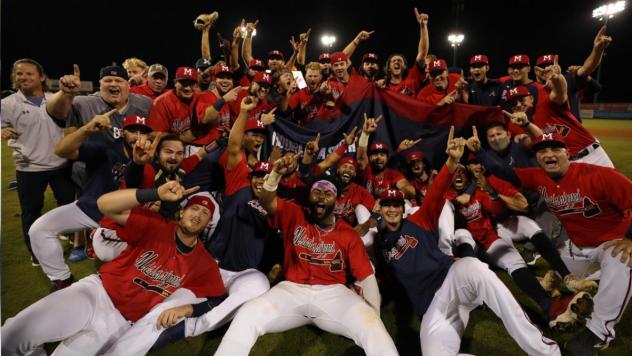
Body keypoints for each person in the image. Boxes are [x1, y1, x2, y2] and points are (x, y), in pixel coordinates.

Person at [375, 127, 561, 355]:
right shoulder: (380, 244)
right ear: (380, 209)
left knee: (473, 266)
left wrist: (452, 162)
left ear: (403, 208)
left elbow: (436, 193)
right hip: (432, 310)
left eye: (396, 205)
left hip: (453, 280)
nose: (392, 209)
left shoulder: (417, 220)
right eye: (387, 206)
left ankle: (546, 351)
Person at [1, 180, 225, 356]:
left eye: (205, 213)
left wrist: (186, 310)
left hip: (119, 323)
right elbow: (104, 205)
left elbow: (216, 297)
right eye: (194, 208)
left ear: (208, 224)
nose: (198, 214)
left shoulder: (203, 263)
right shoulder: (155, 225)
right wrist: (154, 193)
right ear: (182, 212)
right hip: (95, 292)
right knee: (11, 334)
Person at [213, 154, 398, 356]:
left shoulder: (347, 234)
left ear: (336, 200)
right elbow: (267, 201)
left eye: (328, 193)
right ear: (309, 196)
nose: (321, 196)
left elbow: (366, 277)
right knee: (246, 316)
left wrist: (374, 315)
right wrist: (275, 174)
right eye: (316, 191)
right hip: (291, 290)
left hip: (333, 294)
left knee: (374, 328)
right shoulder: (294, 213)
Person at [471, 130, 632, 355]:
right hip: (577, 248)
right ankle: (584, 292)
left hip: (610, 245)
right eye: (542, 150)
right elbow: (504, 171)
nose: (549, 154)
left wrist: (631, 240)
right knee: (560, 266)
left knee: (621, 260)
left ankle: (597, 333)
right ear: (537, 157)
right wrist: (478, 150)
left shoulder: (600, 176)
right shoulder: (539, 177)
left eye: (556, 149)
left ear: (568, 153)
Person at [29, 112, 152, 291]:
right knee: (39, 229)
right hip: (89, 209)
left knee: (113, 255)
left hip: (122, 220)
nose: (138, 137)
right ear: (123, 132)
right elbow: (61, 150)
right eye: (133, 131)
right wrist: (85, 129)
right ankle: (62, 280)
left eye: (143, 132)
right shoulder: (105, 149)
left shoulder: (150, 157)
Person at [1, 59, 76, 266]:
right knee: (31, 212)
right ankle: (36, 253)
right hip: (29, 167)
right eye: (19, 74)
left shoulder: (55, 99)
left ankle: (65, 235)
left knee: (68, 205)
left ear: (41, 77)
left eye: (28, 74)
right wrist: (2, 131)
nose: (23, 77)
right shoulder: (7, 104)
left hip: (61, 165)